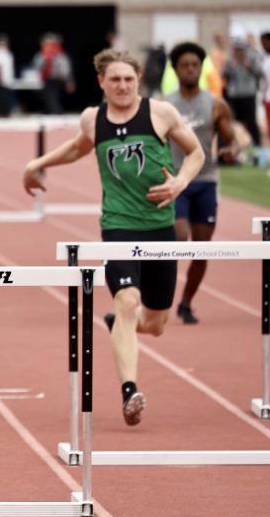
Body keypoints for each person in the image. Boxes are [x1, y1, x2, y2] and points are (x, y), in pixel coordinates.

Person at [22, 48, 203, 426]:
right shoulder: (93, 118)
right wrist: (37, 164)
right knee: (127, 300)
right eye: (115, 79)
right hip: (118, 226)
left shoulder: (160, 114)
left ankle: (120, 323)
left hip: (159, 227)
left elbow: (196, 152)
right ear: (101, 82)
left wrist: (181, 183)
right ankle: (129, 391)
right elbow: (77, 148)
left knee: (154, 324)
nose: (122, 86)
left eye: (129, 79)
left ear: (138, 81)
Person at [165, 42, 235, 325]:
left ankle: (185, 302)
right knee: (179, 238)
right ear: (176, 69)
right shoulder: (165, 105)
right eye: (185, 65)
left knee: (201, 247)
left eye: (195, 65)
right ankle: (159, 298)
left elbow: (230, 139)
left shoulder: (215, 104)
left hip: (205, 180)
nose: (191, 70)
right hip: (177, 180)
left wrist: (230, 147)